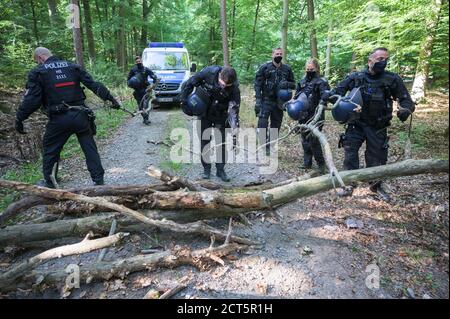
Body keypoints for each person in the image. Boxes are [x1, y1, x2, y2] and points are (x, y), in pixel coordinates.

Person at [15, 47, 121, 188]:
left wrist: (20, 118)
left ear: (40, 58)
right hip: (81, 115)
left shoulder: (38, 72)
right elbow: (93, 84)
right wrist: (111, 99)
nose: (38, 63)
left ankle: (50, 182)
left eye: (37, 60)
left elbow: (32, 100)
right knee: (89, 147)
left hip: (59, 119)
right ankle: (98, 180)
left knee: (51, 149)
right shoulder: (72, 66)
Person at [322, 47, 415, 201]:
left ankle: (375, 186)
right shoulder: (356, 77)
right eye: (380, 59)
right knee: (350, 154)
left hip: (378, 127)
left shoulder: (392, 79)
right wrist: (329, 96)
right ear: (370, 60)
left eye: (385, 59)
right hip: (355, 124)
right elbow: (338, 90)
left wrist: (405, 109)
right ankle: (349, 184)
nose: (383, 62)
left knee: (377, 159)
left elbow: (406, 100)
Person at [180, 66, 240, 182]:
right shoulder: (208, 73)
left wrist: (235, 127)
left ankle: (220, 170)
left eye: (226, 86)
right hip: (204, 113)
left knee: (221, 143)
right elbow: (189, 84)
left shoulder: (234, 88)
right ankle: (206, 169)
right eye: (222, 83)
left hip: (220, 116)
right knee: (204, 141)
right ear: (220, 75)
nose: (223, 87)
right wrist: (183, 101)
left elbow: (234, 110)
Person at [254, 47, 296, 154]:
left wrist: (287, 84)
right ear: (272, 55)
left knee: (276, 126)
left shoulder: (287, 69)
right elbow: (257, 84)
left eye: (280, 54)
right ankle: (264, 147)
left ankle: (270, 146)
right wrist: (258, 100)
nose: (279, 56)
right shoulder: (264, 68)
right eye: (277, 54)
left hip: (280, 102)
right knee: (262, 125)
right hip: (265, 100)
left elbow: (294, 84)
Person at [294, 58, 330, 172]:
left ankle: (321, 164)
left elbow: (326, 97)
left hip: (316, 115)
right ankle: (307, 163)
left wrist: (323, 101)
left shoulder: (322, 82)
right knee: (304, 139)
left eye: (312, 69)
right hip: (303, 114)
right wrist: (292, 102)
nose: (309, 70)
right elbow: (297, 95)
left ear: (317, 69)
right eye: (308, 69)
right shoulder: (302, 81)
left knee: (314, 140)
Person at [127, 56, 158, 125]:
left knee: (146, 104)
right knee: (140, 105)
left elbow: (153, 76)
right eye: (137, 61)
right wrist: (130, 84)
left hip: (145, 90)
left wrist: (154, 83)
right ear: (135, 62)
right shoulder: (133, 70)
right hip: (137, 91)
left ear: (141, 61)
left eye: (139, 61)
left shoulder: (146, 69)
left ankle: (146, 119)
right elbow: (128, 79)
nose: (138, 62)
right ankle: (144, 118)